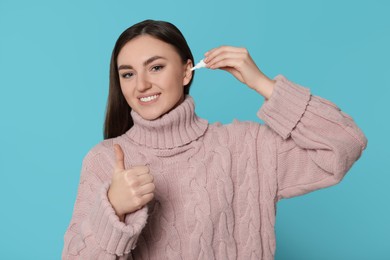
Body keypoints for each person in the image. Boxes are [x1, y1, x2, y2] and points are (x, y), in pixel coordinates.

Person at [62, 19, 367, 260]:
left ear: (186, 72)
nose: (141, 84)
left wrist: (263, 84)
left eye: (156, 67)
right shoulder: (106, 160)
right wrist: (113, 209)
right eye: (127, 74)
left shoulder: (248, 148)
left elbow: (345, 142)